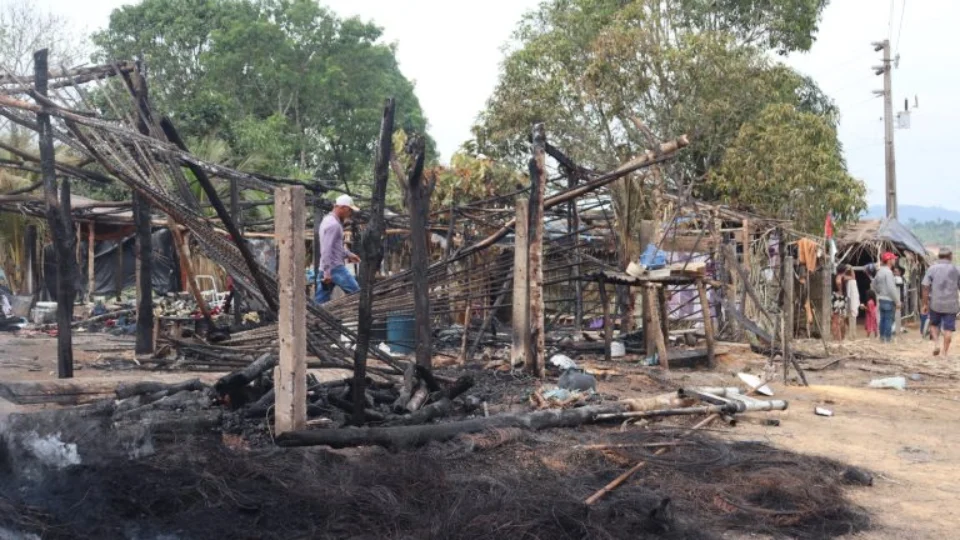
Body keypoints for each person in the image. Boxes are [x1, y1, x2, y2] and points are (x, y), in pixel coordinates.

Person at [315, 194, 362, 304]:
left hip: (325, 267)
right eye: (349, 210)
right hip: (335, 268)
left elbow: (334, 246)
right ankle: (362, 319)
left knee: (321, 302)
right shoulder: (334, 225)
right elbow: (326, 249)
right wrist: (328, 272)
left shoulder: (327, 220)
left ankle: (315, 320)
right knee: (357, 294)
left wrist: (348, 254)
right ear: (343, 208)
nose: (349, 214)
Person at [921, 247, 960, 357]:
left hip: (935, 303)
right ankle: (944, 353)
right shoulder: (956, 269)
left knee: (933, 324)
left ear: (939, 257)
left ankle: (936, 344)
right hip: (951, 304)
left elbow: (925, 286)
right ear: (950, 256)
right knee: (948, 329)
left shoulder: (932, 269)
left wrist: (925, 303)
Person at [871, 252, 900, 343]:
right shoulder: (888, 272)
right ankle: (887, 339)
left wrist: (879, 292)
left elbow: (873, 284)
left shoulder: (880, 271)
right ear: (889, 261)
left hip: (881, 299)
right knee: (888, 319)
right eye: (893, 259)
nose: (895, 260)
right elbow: (891, 288)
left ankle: (882, 338)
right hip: (888, 299)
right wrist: (897, 301)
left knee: (883, 319)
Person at [831, 264, 849, 340]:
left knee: (841, 318)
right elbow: (838, 283)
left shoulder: (841, 277)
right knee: (836, 319)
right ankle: (837, 337)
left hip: (840, 298)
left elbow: (853, 277)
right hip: (838, 298)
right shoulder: (839, 277)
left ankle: (839, 337)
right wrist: (840, 291)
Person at [845, 266, 860, 339]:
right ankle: (852, 335)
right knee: (852, 319)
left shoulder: (851, 282)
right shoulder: (851, 281)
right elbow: (851, 295)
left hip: (852, 302)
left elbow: (850, 295)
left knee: (851, 319)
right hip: (852, 302)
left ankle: (852, 335)